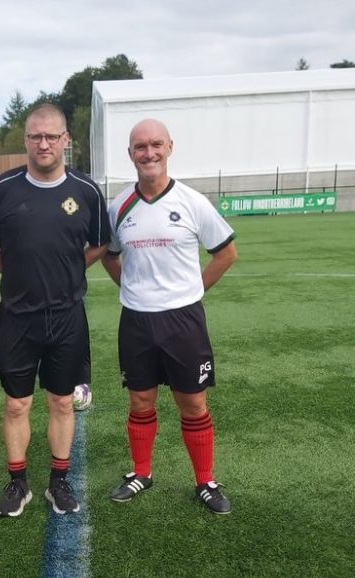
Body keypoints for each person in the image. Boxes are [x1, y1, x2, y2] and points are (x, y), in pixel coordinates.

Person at [0, 103, 110, 517]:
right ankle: (18, 482)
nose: (44, 143)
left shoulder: (86, 191)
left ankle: (58, 482)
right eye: (36, 136)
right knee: (16, 405)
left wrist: (70, 269)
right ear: (25, 140)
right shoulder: (2, 190)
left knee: (62, 403)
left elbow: (101, 243)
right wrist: (16, 271)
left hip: (67, 317)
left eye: (52, 136)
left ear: (66, 140)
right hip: (17, 318)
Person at [103, 118, 237, 514]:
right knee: (140, 400)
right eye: (140, 147)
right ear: (130, 154)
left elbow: (226, 252)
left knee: (192, 402)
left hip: (184, 321)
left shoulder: (193, 202)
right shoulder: (119, 206)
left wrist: (193, 290)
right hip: (137, 320)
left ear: (169, 147)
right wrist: (130, 286)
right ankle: (141, 472)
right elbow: (109, 255)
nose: (149, 153)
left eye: (156, 144)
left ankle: (204, 481)